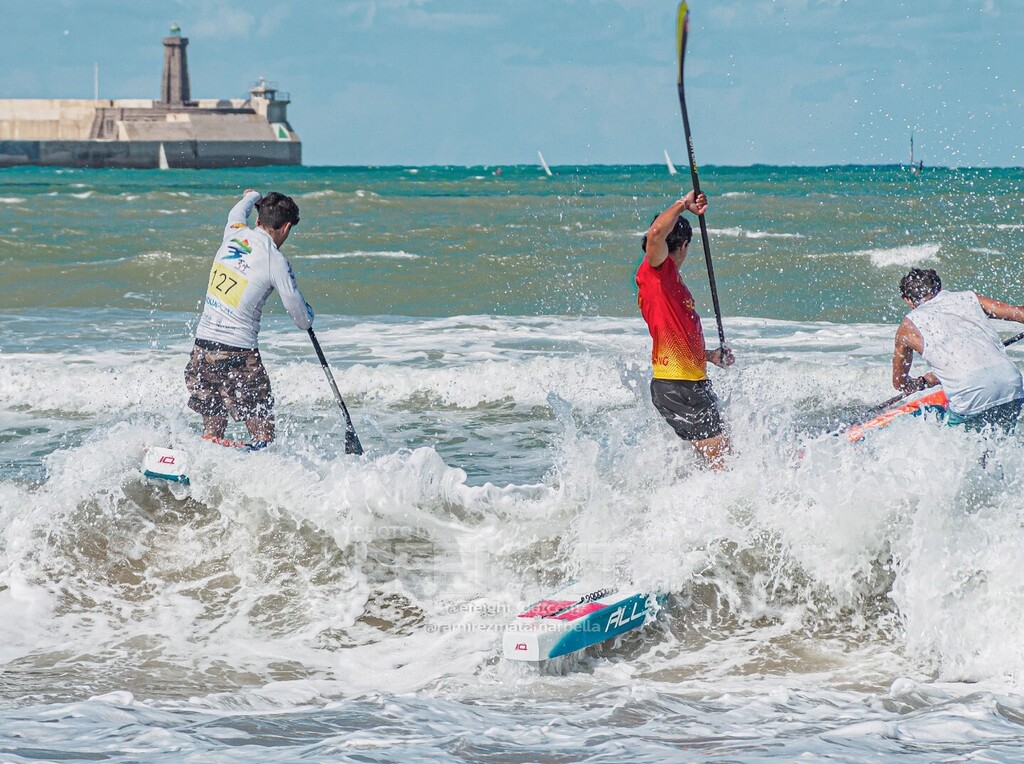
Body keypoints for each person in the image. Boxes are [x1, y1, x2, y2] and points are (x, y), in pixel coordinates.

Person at [184, 190, 314, 449]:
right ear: (286, 227)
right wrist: (310, 315)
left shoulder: (233, 232)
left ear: (257, 220)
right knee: (262, 430)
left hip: (203, 348)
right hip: (238, 354)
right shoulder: (275, 260)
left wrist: (252, 195)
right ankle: (262, 473)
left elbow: (238, 210)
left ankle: (206, 462)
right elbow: (301, 318)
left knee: (213, 426)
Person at [637, 191, 734, 469]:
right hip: (678, 387)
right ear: (684, 245)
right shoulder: (655, 273)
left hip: (688, 383)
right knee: (724, 463)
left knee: (718, 459)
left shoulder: (670, 286)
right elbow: (656, 233)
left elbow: (677, 338)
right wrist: (683, 205)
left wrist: (710, 356)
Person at [892, 267, 1024, 430]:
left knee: (948, 443)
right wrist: (935, 377)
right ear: (939, 288)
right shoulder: (968, 298)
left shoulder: (907, 328)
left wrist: (920, 383)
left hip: (970, 395)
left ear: (908, 300)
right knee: (998, 446)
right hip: (1011, 384)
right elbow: (1020, 314)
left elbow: (900, 384)